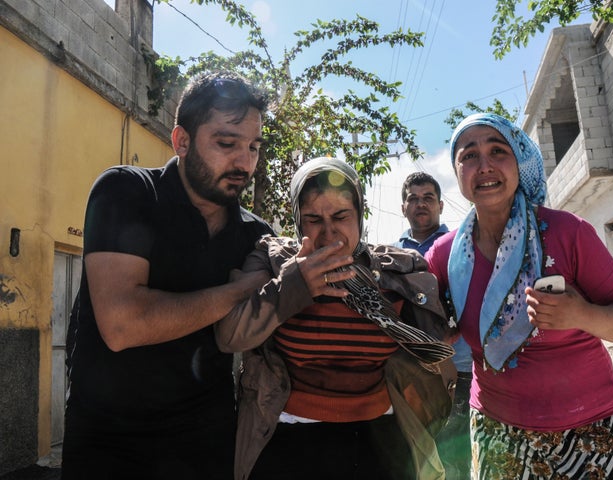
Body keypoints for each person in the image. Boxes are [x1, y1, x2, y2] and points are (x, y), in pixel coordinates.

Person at [61, 71, 274, 480]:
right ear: (181, 141)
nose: (244, 162)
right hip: (109, 446)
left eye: (253, 147)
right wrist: (240, 289)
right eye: (227, 143)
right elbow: (122, 324)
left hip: (207, 446)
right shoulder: (125, 192)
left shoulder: (256, 236)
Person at [425, 113, 613, 480]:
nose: (484, 166)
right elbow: (415, 321)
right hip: (498, 431)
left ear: (518, 160)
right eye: (469, 156)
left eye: (498, 151)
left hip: (589, 429)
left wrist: (581, 315)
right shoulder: (444, 255)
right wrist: (438, 330)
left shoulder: (567, 232)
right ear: (457, 171)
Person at [214, 157, 458, 480]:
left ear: (360, 214)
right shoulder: (272, 260)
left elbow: (436, 345)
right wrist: (295, 284)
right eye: (313, 219)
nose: (329, 233)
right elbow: (230, 334)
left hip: (382, 444)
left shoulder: (399, 269)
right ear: (298, 221)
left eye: (341, 216)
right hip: (291, 443)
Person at [395, 171, 471, 480]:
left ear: (440, 205)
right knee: (416, 456)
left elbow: (475, 297)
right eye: (413, 198)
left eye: (428, 198)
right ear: (403, 207)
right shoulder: (392, 253)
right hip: (410, 370)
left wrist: (458, 331)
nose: (420, 204)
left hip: (459, 369)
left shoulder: (460, 247)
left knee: (454, 459)